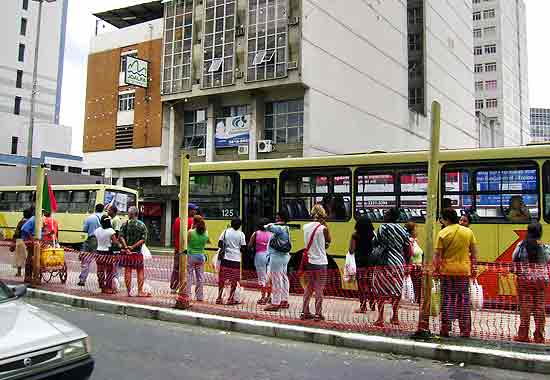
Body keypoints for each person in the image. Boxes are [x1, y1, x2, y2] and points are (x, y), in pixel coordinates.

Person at [434, 208, 478, 338]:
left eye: (441, 218)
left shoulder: (443, 233)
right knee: (463, 300)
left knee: (447, 299)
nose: (441, 221)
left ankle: (445, 329)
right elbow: (474, 253)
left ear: (446, 219)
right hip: (463, 272)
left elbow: (437, 255)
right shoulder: (468, 232)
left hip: (447, 272)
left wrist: (436, 270)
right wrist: (473, 268)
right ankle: (465, 330)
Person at [512, 222, 550, 343]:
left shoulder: (521, 245)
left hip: (525, 280)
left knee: (525, 308)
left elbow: (514, 258)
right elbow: (547, 259)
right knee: (539, 308)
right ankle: (539, 336)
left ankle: (523, 336)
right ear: (540, 233)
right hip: (541, 281)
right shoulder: (545, 247)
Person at [371, 208, 410, 327]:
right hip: (398, 262)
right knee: (396, 289)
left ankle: (380, 318)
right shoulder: (402, 229)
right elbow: (407, 246)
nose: (384, 215)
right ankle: (395, 317)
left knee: (380, 290)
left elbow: (375, 241)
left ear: (389, 216)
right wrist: (407, 262)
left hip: (384, 261)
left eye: (386, 214)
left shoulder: (383, 228)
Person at [301, 204, 331, 321]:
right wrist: (325, 224)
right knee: (319, 288)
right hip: (321, 262)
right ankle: (318, 313)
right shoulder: (323, 228)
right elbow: (329, 240)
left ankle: (305, 311)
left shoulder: (305, 226)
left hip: (309, 261)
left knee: (309, 286)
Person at [264, 211, 292, 311]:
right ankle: (284, 300)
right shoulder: (287, 228)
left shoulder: (280, 228)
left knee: (276, 279)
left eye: (277, 218)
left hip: (277, 256)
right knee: (284, 278)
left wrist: (269, 224)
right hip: (284, 256)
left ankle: (275, 303)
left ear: (281, 218)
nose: (275, 219)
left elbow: (268, 227)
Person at [119, 206, 150, 297]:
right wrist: (133, 247)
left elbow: (121, 236)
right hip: (137, 253)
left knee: (127, 270)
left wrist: (126, 247)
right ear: (137, 214)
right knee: (140, 271)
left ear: (130, 214)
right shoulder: (142, 225)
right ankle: (140, 291)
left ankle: (128, 291)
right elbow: (143, 240)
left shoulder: (125, 224)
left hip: (127, 253)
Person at [349, 215, 376, 313]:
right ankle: (372, 305)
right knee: (370, 283)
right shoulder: (373, 235)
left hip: (360, 262)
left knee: (361, 285)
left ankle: (363, 306)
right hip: (371, 262)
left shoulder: (355, 235)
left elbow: (351, 250)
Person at [170, 203, 199, 292]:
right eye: (194, 210)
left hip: (178, 249)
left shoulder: (177, 220)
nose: (196, 211)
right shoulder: (193, 221)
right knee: (186, 270)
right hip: (188, 250)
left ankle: (173, 287)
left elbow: (174, 235)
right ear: (189, 210)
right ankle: (183, 288)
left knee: (176, 269)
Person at [217, 218, 246, 305]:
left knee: (222, 279)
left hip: (225, 258)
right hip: (236, 260)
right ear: (240, 225)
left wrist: (227, 247)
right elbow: (243, 248)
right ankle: (231, 298)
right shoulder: (241, 234)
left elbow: (219, 243)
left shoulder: (225, 232)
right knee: (234, 280)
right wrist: (236, 249)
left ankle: (219, 297)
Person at [78, 204, 104, 287]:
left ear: (95, 209)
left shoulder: (90, 218)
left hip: (91, 240)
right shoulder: (106, 218)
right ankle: (101, 282)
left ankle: (82, 280)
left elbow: (84, 230)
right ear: (103, 209)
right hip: (102, 240)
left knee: (86, 261)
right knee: (100, 263)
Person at [185, 215, 211, 302]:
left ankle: (188, 295)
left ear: (194, 222)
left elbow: (187, 242)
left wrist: (192, 228)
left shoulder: (190, 232)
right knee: (200, 277)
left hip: (191, 256)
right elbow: (209, 241)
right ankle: (199, 296)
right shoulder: (206, 233)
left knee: (189, 275)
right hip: (201, 256)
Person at [248, 218, 272, 305]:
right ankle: (269, 297)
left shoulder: (255, 233)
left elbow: (250, 245)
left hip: (259, 256)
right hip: (270, 256)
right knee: (269, 278)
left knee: (261, 278)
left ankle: (263, 297)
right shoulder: (271, 234)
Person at [94, 215, 119, 294]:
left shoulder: (97, 230)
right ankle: (108, 287)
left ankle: (101, 286)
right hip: (108, 253)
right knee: (109, 271)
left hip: (98, 252)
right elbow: (115, 243)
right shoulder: (111, 231)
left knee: (100, 271)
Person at [405, 222, 423, 304]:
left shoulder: (415, 242)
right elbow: (409, 255)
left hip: (418, 270)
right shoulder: (408, 242)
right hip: (413, 270)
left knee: (418, 292)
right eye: (415, 230)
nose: (417, 231)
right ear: (410, 231)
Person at [11, 208, 33, 277]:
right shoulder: (32, 221)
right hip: (30, 241)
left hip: (20, 240)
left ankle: (19, 272)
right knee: (29, 257)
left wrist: (13, 242)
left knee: (19, 257)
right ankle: (29, 273)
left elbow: (16, 233)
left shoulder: (21, 222)